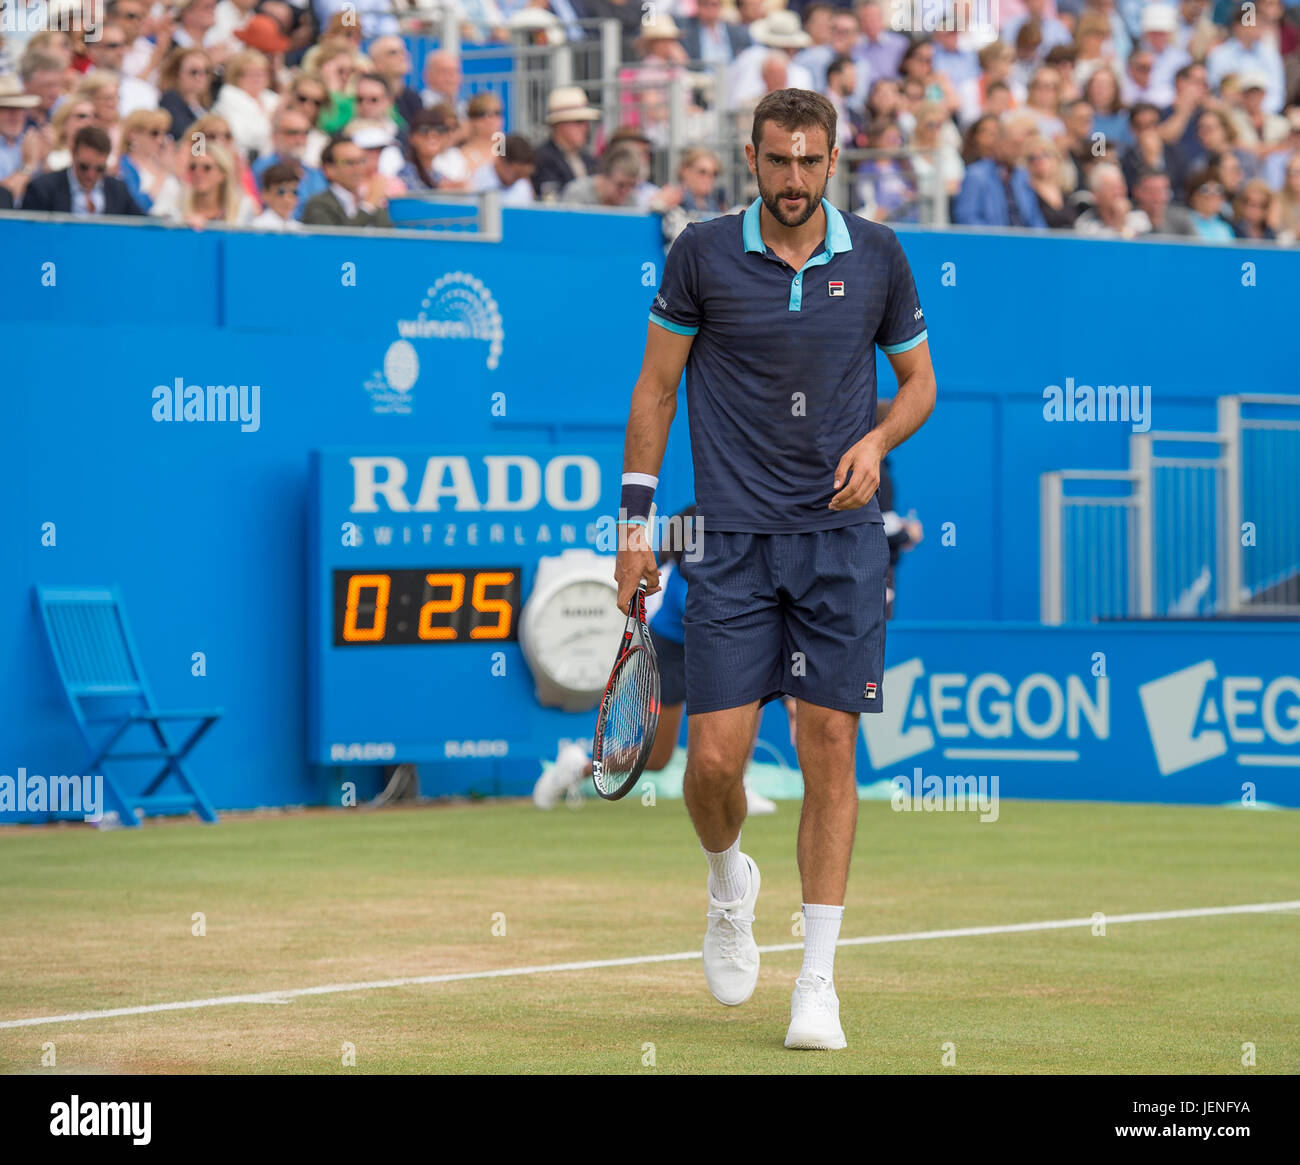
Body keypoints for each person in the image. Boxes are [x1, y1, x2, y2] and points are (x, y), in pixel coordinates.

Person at [616, 88, 935, 1051]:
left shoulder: (878, 255)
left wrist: (878, 441)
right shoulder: (700, 252)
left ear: (834, 159)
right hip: (726, 541)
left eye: (810, 161)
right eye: (777, 160)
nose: (794, 178)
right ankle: (728, 883)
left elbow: (920, 384)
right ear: (750, 157)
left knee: (828, 744)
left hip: (841, 541)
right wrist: (635, 520)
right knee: (712, 763)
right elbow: (658, 385)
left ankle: (818, 982)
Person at [21, 125, 142, 214]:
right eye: (84, 167)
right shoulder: (43, 188)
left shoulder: (118, 190)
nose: (91, 174)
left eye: (100, 169)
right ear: (73, 153)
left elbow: (142, 223)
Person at [953, 117, 1048, 226]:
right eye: (1013, 144)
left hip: (1024, 240)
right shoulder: (976, 175)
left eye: (1019, 146)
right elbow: (967, 218)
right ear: (999, 143)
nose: (1016, 150)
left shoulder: (1022, 177)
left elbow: (1034, 218)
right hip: (991, 240)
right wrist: (996, 240)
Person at [149, 140, 258, 227]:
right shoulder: (177, 205)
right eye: (193, 167)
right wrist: (183, 226)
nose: (198, 173)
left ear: (223, 174)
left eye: (207, 168)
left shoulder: (242, 208)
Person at [300, 134, 392, 227]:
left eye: (361, 161)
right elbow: (340, 240)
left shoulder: (371, 198)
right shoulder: (318, 204)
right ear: (329, 169)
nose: (358, 168)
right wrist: (368, 205)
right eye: (349, 162)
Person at [531, 86, 600, 200]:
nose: (586, 127)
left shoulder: (589, 159)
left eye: (587, 122)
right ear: (559, 125)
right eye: (579, 122)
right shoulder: (542, 159)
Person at [559, 143, 642, 207]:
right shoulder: (577, 194)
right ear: (604, 176)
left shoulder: (631, 200)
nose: (626, 192)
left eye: (632, 185)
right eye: (621, 185)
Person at [158, 47, 215, 141]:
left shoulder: (207, 106)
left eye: (206, 71)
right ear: (177, 74)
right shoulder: (170, 100)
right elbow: (184, 134)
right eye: (194, 72)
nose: (201, 77)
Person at [468, 132, 536, 205]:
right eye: (517, 174)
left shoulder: (523, 186)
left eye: (523, 175)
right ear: (501, 161)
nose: (520, 179)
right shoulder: (474, 183)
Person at [252, 160, 304, 229]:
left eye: (294, 192)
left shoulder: (300, 229)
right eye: (281, 192)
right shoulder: (256, 228)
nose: (287, 198)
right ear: (265, 194)